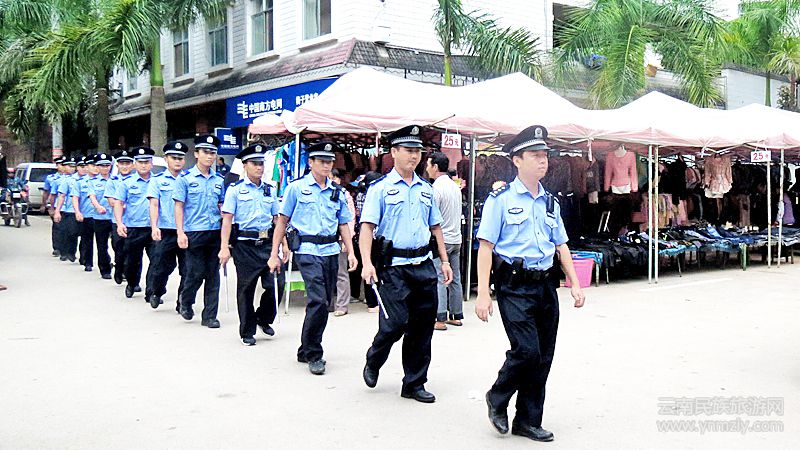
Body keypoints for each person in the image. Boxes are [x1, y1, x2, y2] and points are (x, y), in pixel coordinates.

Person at [475, 125, 586, 442]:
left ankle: (527, 420)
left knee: (543, 356)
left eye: (545, 155)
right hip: (514, 286)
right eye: (535, 155)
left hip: (545, 285)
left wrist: (575, 283)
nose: (542, 161)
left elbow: (561, 244)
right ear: (517, 160)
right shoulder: (500, 199)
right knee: (526, 350)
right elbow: (486, 247)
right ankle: (497, 397)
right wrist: (483, 293)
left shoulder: (550, 202)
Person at [359, 125, 453, 404]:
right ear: (394, 152)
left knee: (422, 329)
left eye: (417, 152)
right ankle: (374, 358)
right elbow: (367, 228)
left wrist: (444, 261)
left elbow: (435, 227)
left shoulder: (426, 189)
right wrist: (367, 263)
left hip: (423, 264)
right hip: (393, 267)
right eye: (409, 151)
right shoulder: (380, 189)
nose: (414, 156)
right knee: (394, 323)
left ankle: (414, 383)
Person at [268, 141, 357, 375]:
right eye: (322, 161)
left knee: (323, 302)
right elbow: (282, 221)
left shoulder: (338, 192)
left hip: (330, 250)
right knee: (317, 300)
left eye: (330, 161)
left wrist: (350, 251)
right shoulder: (296, 188)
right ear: (311, 162)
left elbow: (343, 224)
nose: (326, 166)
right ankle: (315, 353)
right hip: (307, 250)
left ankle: (304, 348)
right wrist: (275, 253)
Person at [220, 143, 286, 345]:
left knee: (277, 284)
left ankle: (263, 318)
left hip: (267, 244)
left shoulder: (269, 190)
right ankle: (247, 331)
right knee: (246, 289)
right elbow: (227, 219)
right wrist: (224, 247)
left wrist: (283, 244)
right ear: (245, 165)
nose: (259, 167)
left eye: (261, 164)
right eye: (255, 164)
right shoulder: (235, 190)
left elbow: (277, 219)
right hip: (244, 246)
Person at [174, 135, 225, 329]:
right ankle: (186, 301)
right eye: (205, 152)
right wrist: (180, 232)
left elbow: (221, 205)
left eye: (213, 153)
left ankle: (210, 316)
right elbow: (179, 207)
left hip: (214, 231)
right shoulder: (185, 179)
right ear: (196, 154)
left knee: (213, 274)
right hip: (194, 231)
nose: (209, 156)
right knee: (195, 273)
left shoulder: (219, 180)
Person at [145, 142, 188, 310]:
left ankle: (182, 301)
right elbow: (154, 204)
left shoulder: (189, 180)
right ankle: (156, 291)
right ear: (166, 159)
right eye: (173, 158)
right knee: (162, 266)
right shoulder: (157, 180)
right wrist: (154, 226)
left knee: (187, 269)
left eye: (180, 158)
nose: (177, 161)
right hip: (166, 230)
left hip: (186, 230)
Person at [425, 152, 465, 331]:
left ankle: (440, 317)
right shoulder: (454, 187)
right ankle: (456, 315)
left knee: (440, 277)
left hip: (442, 240)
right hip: (456, 238)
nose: (427, 168)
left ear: (435, 167)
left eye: (428, 165)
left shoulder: (436, 189)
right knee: (455, 277)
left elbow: (432, 218)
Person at [113, 147, 156, 299]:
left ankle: (151, 292)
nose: (143, 165)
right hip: (133, 227)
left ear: (151, 163)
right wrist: (119, 223)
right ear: (135, 164)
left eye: (147, 162)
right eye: (140, 162)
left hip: (154, 228)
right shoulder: (127, 183)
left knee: (157, 261)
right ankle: (131, 283)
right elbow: (118, 203)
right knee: (132, 261)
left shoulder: (158, 181)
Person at [350, 171, 383, 312]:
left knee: (367, 266)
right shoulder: (374, 197)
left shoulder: (360, 196)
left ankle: (371, 300)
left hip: (363, 237)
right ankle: (373, 302)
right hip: (375, 238)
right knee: (375, 268)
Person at [106, 149, 135, 285]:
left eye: (127, 163)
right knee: (118, 248)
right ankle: (119, 270)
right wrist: (125, 205)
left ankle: (131, 278)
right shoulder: (113, 181)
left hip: (134, 222)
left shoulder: (137, 180)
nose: (125, 166)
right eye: (122, 163)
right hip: (117, 221)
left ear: (132, 165)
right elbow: (111, 201)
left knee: (132, 251)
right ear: (117, 165)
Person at [330, 168, 356, 317]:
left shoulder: (344, 195)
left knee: (341, 273)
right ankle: (327, 303)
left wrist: (348, 241)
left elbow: (350, 219)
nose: (331, 181)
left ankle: (342, 305)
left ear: (338, 179)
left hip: (340, 239)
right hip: (324, 240)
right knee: (325, 273)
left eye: (333, 178)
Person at [87, 152, 114, 279]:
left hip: (115, 218)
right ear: (97, 167)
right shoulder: (92, 181)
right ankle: (105, 269)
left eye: (107, 165)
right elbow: (92, 196)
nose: (105, 168)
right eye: (102, 166)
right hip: (100, 218)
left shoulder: (116, 180)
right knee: (102, 245)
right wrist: (98, 207)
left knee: (119, 245)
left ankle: (121, 268)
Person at [53, 156, 79, 262]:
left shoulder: (79, 179)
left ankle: (71, 252)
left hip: (73, 209)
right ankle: (63, 251)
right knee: (63, 231)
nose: (71, 168)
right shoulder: (60, 179)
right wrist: (55, 209)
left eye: (73, 166)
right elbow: (58, 195)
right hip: (64, 208)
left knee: (73, 232)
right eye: (69, 166)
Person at [75, 155, 98, 271]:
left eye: (97, 165)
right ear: (87, 167)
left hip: (103, 216)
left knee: (103, 242)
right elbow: (75, 197)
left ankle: (105, 261)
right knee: (87, 240)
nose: (95, 168)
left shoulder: (108, 180)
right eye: (92, 165)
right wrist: (77, 211)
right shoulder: (81, 182)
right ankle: (88, 261)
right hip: (87, 215)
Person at [44, 157, 65, 257]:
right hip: (56, 205)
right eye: (61, 164)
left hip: (69, 207)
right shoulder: (51, 178)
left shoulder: (74, 178)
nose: (63, 167)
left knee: (67, 229)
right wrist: (47, 206)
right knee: (57, 227)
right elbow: (47, 192)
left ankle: (66, 248)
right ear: (57, 166)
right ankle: (57, 248)